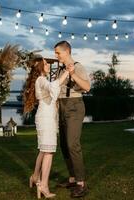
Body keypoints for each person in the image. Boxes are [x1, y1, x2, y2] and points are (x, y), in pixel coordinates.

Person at [23, 57, 69, 199]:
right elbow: (53, 86)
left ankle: (35, 176)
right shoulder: (41, 80)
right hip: (46, 119)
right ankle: (43, 185)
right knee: (48, 152)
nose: (48, 65)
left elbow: (52, 88)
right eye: (45, 63)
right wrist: (66, 72)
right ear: (40, 67)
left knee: (44, 150)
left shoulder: (40, 80)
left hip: (46, 117)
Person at [54, 41, 91, 198]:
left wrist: (73, 74)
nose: (56, 56)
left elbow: (87, 87)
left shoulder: (78, 66)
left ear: (67, 51)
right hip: (62, 106)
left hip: (75, 106)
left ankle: (81, 184)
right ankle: (72, 178)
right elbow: (57, 89)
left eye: (58, 53)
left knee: (72, 144)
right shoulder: (59, 70)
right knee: (63, 144)